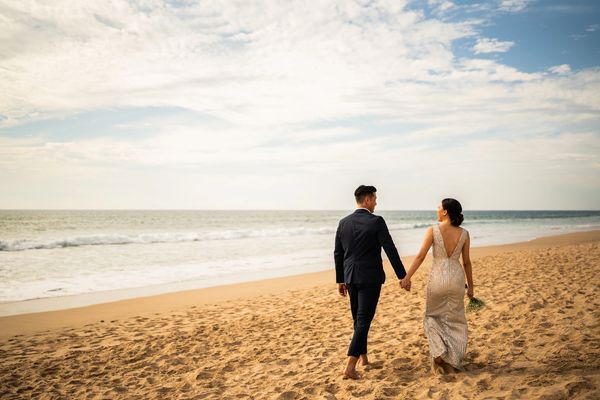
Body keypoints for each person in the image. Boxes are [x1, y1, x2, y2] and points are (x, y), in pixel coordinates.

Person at [334, 185, 410, 380]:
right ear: (367, 200)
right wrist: (402, 276)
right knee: (363, 320)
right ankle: (350, 366)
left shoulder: (343, 223)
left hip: (350, 277)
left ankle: (363, 358)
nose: (376, 201)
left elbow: (338, 253)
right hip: (370, 278)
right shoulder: (376, 221)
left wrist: (340, 280)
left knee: (358, 319)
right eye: (375, 198)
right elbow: (390, 249)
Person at [400, 198, 473, 374]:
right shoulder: (464, 233)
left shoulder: (433, 230)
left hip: (438, 277)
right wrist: (471, 287)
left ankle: (439, 353)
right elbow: (467, 263)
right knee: (455, 319)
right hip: (456, 278)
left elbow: (420, 256)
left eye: (439, 206)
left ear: (446, 211)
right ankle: (451, 357)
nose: (437, 209)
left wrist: (407, 277)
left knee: (433, 316)